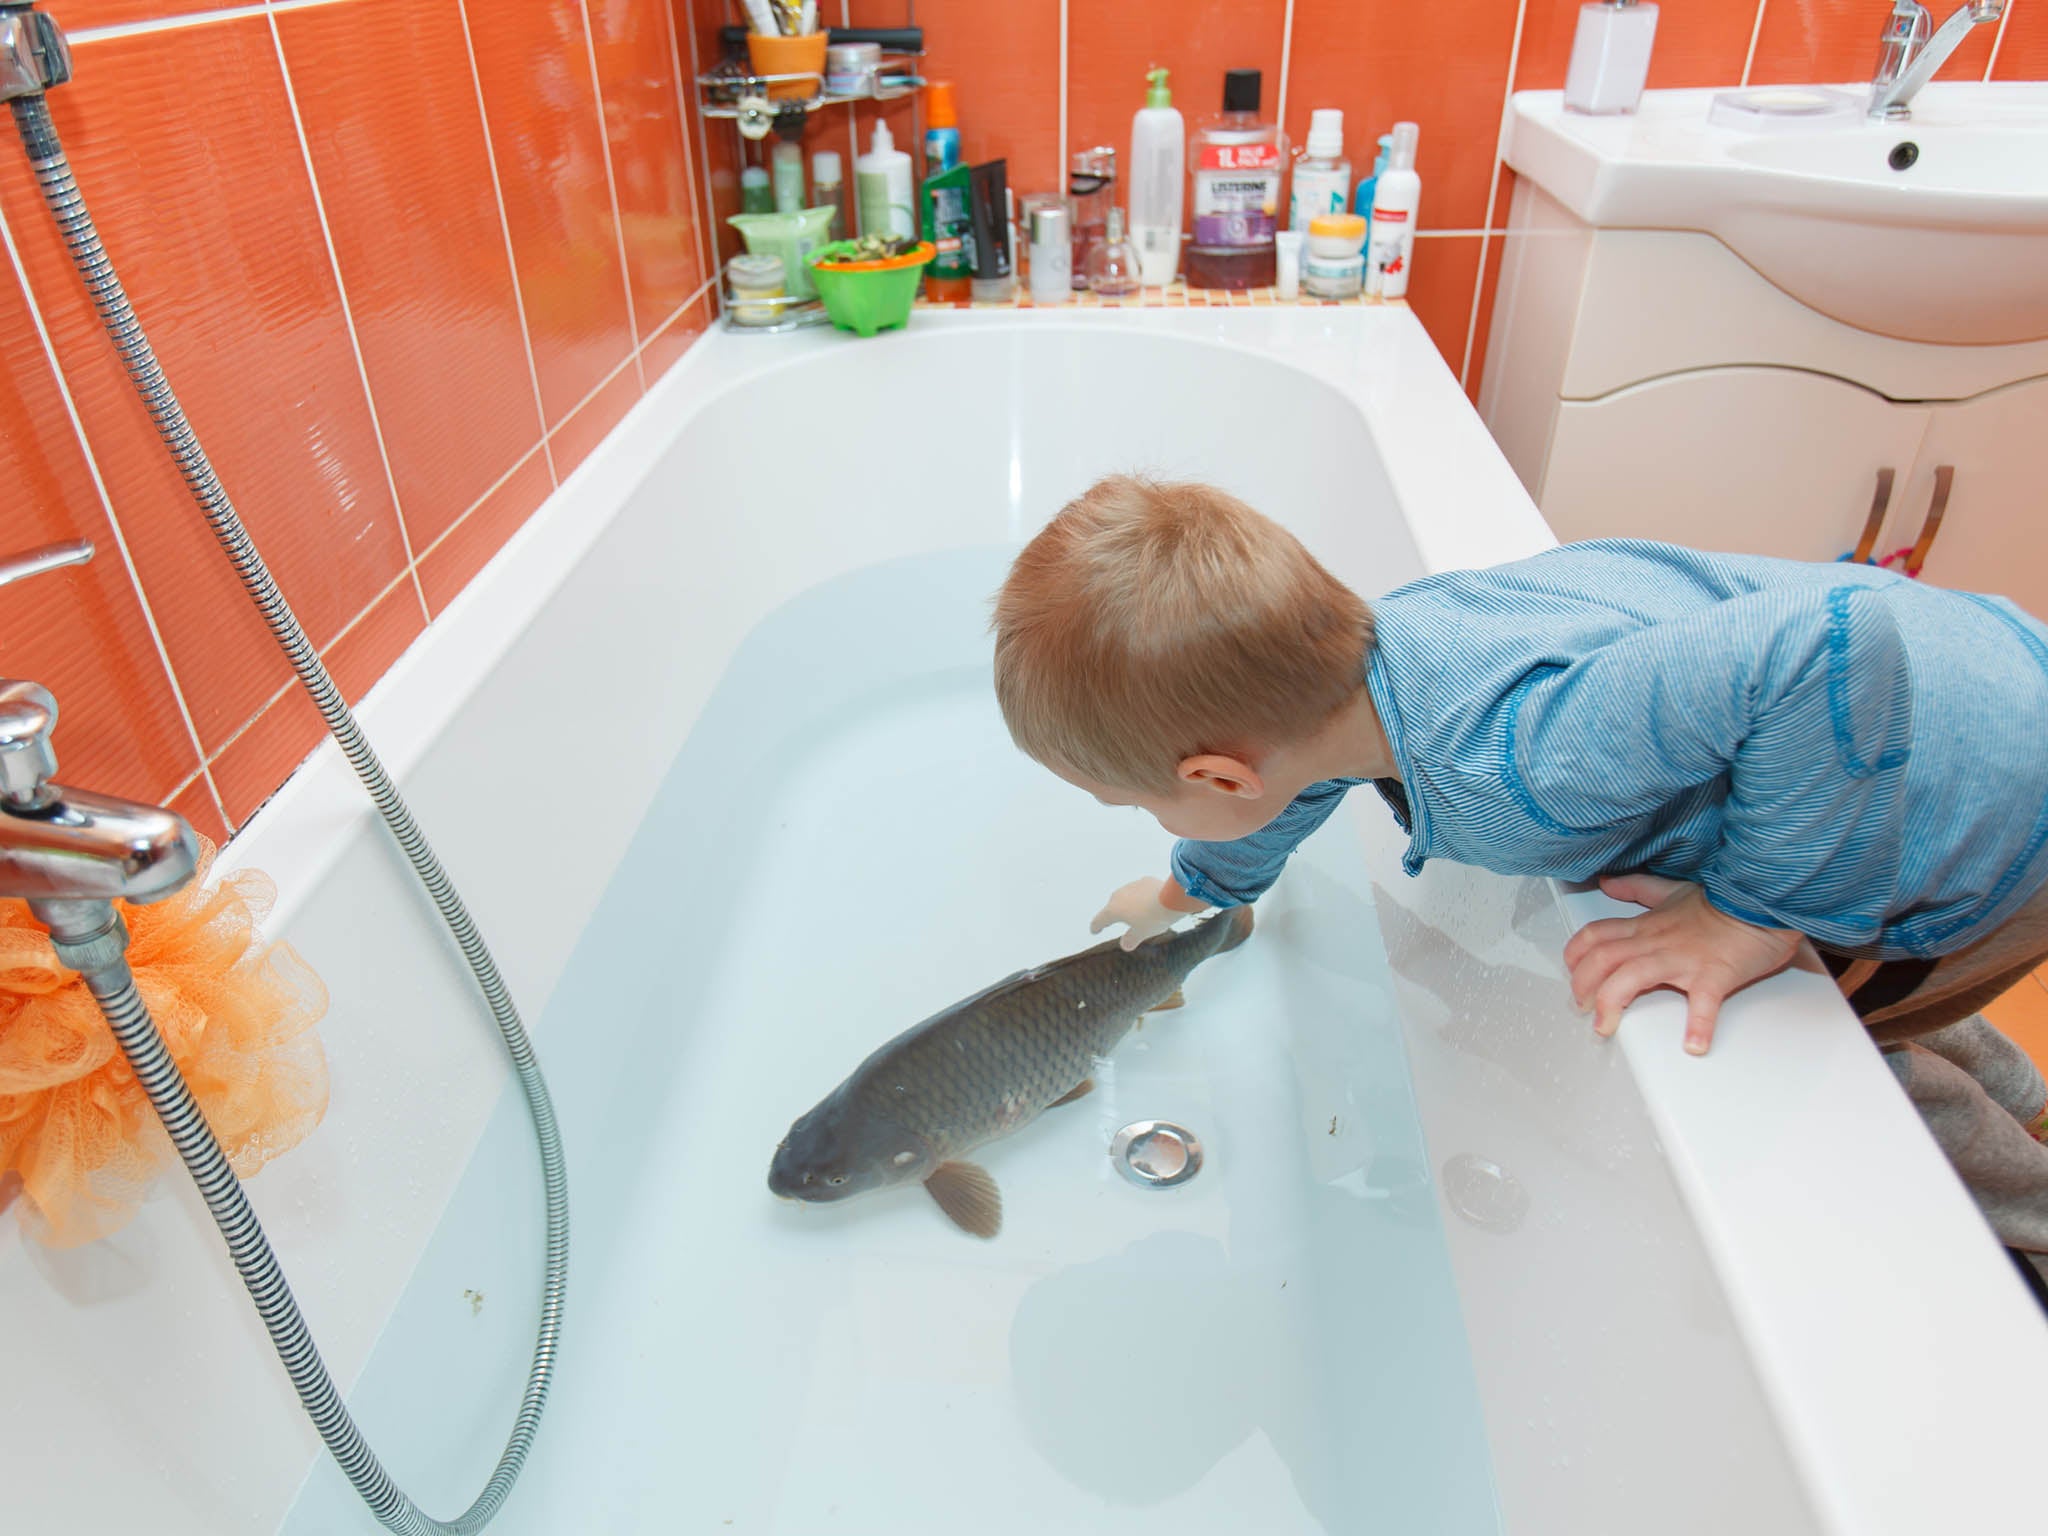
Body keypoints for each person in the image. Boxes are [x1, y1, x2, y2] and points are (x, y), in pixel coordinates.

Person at [991, 475, 2048, 1272]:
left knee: (1839, 1043)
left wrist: (1746, 912)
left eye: (1135, 800)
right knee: (1865, 988)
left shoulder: (1520, 757)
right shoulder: (1372, 663)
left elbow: (1828, 646)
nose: (1141, 812)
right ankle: (2024, 1092)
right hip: (1977, 669)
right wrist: (1192, 890)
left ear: (1215, 772)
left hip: (1973, 811)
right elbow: (1289, 784)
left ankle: (2027, 1210)